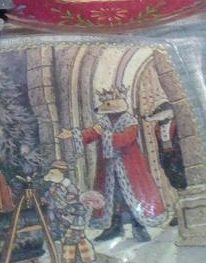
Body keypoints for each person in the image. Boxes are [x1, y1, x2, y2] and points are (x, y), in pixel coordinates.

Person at [59, 87, 166, 243]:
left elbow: (125, 138)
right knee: (112, 197)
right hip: (109, 168)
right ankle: (114, 227)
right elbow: (92, 133)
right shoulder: (104, 122)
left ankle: (138, 227)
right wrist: (73, 134)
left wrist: (105, 134)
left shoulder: (130, 122)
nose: (108, 114)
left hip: (129, 167)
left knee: (133, 196)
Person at [42, 160, 96, 263]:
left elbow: (74, 198)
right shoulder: (53, 187)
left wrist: (69, 201)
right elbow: (50, 199)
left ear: (61, 173)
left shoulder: (68, 186)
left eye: (53, 173)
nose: (51, 175)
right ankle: (79, 261)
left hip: (73, 219)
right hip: (63, 219)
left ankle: (77, 262)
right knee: (71, 240)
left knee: (73, 240)